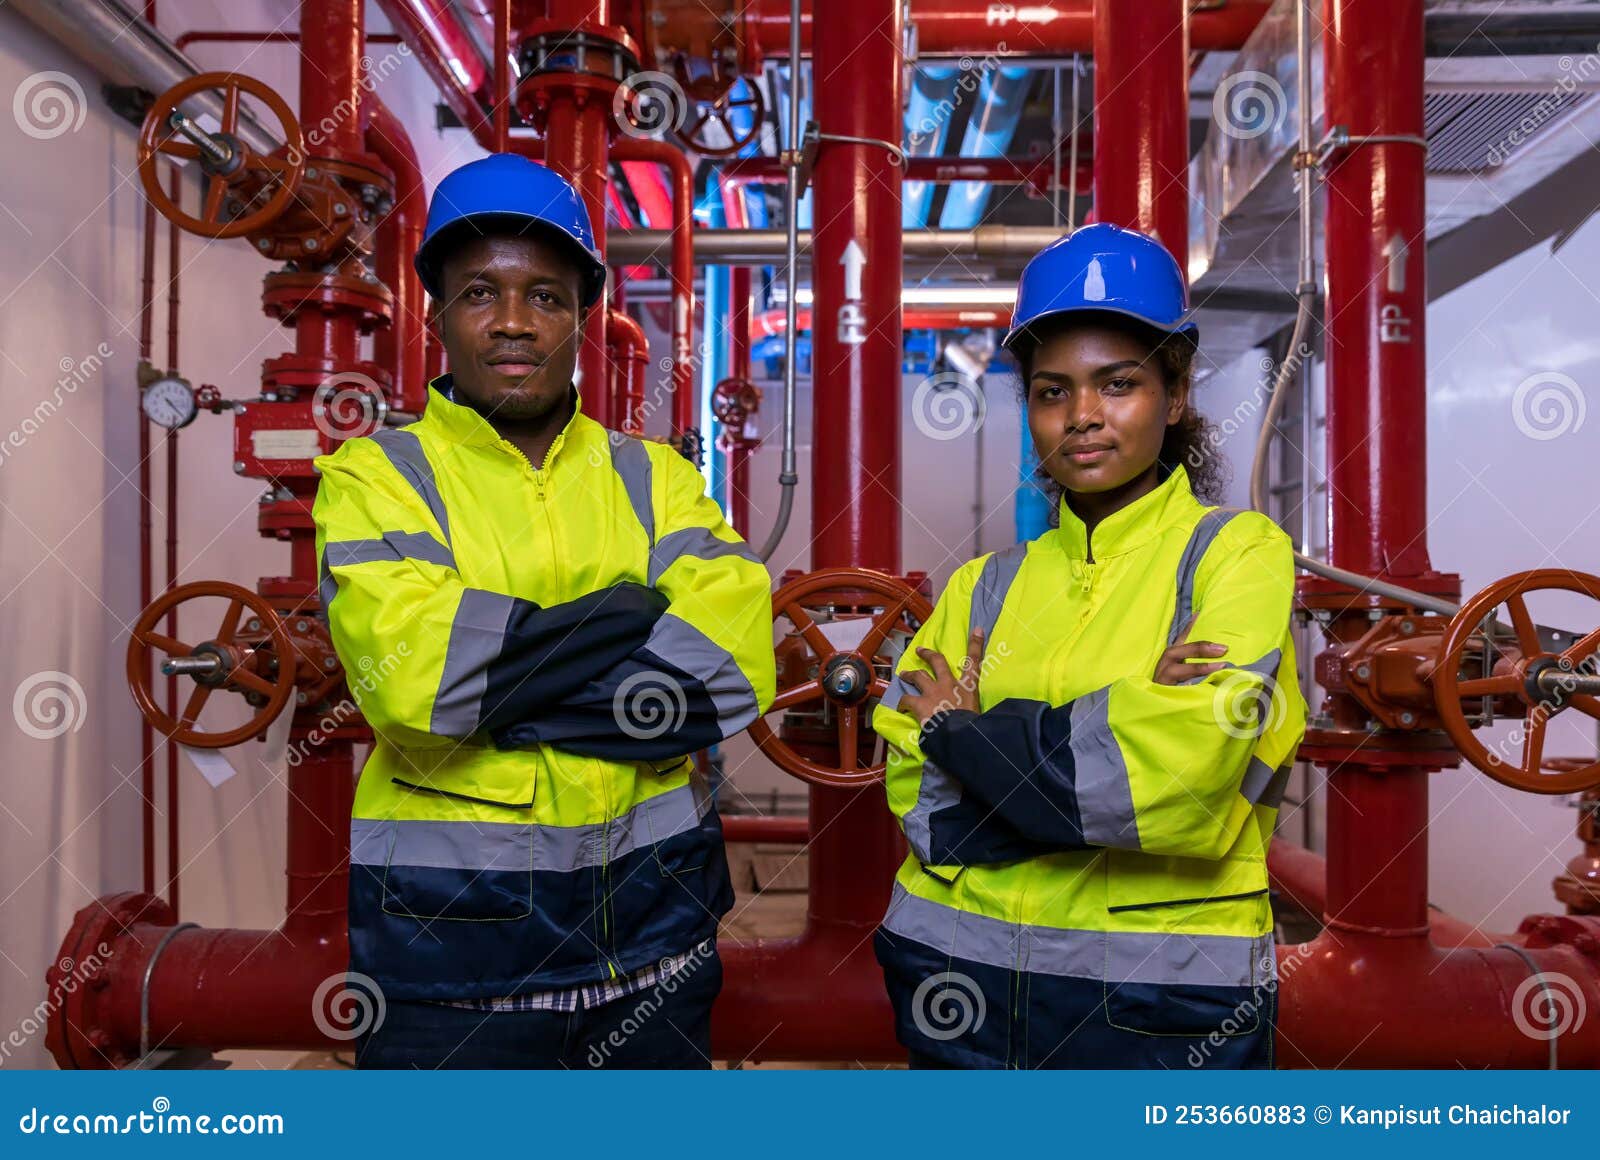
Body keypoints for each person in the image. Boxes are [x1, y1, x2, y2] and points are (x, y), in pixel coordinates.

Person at [311, 153, 775, 1069]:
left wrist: (507, 696)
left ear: (582, 317)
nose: (515, 322)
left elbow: (727, 672)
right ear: (436, 314)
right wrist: (627, 617)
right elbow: (418, 683)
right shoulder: (376, 478)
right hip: (451, 961)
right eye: (481, 292)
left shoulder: (655, 478)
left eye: (547, 297)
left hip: (654, 946)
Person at [872, 222, 1308, 1069]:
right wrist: (1114, 724)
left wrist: (962, 734)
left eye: (1118, 384)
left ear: (1174, 395)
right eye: (1051, 391)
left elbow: (1179, 779)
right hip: (960, 985)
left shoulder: (1235, 556)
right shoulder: (984, 586)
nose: (1081, 417)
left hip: (1160, 1005)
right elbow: (916, 794)